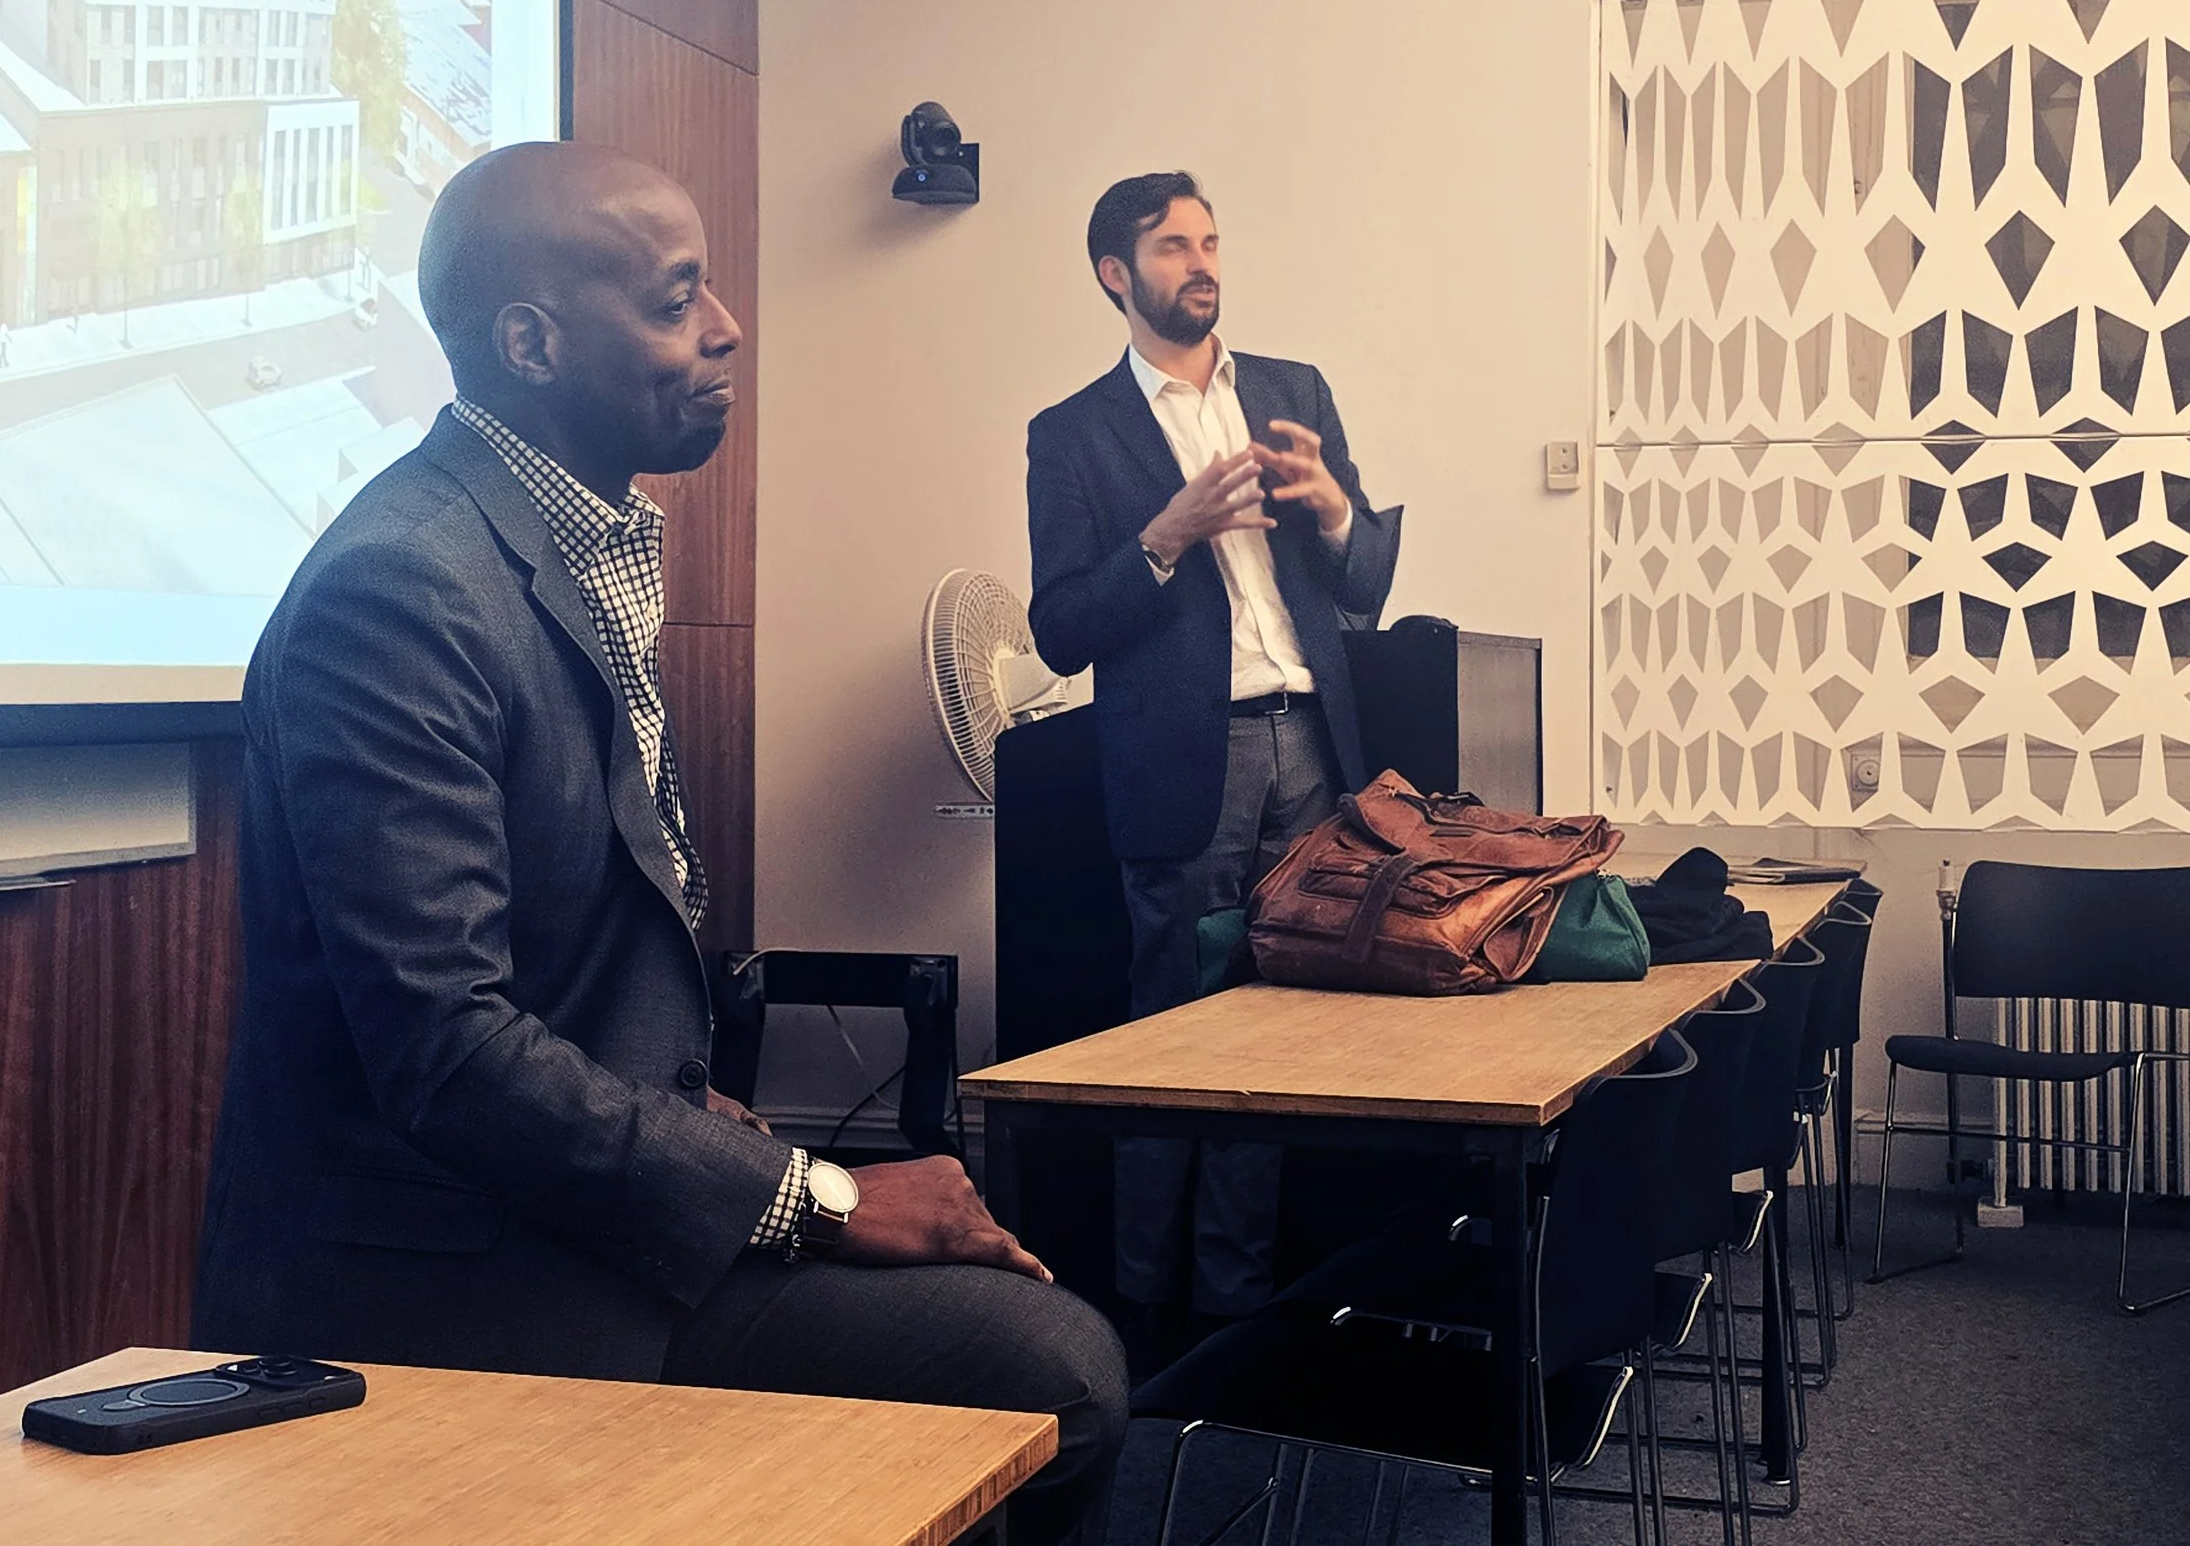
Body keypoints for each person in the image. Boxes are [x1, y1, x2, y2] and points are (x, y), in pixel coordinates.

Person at [193, 142, 1124, 1544]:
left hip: (587, 1201)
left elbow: (576, 965)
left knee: (999, 1373)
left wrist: (721, 1127)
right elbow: (449, 1049)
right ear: (532, 340)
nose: (728, 323)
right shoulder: (399, 591)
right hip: (450, 1271)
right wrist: (824, 1189)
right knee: (1056, 1370)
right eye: (679, 295)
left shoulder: (570, 543)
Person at [1025, 170, 1402, 1359]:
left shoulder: (1292, 393)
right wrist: (1167, 534)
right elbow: (1060, 629)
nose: (1202, 261)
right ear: (1114, 274)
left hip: (1312, 747)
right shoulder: (1073, 434)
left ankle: (1236, 1304)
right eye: (1173, 245)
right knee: (1174, 1038)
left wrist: (1337, 511)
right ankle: (1142, 1314)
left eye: (1209, 239)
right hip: (1189, 763)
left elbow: (1366, 586)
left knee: (1277, 1035)